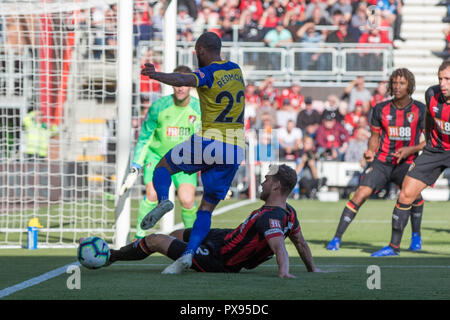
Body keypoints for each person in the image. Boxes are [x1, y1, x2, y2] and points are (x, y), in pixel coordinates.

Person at [138, 32, 245, 274]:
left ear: (201, 50)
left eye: (197, 53)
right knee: (206, 208)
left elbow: (181, 78)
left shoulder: (208, 73)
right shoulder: (236, 69)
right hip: (236, 146)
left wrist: (155, 75)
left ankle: (165, 200)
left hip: (211, 140)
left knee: (163, 167)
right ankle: (188, 254)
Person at [103, 164, 321, 277]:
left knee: (155, 240)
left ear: (276, 187)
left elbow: (279, 246)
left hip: (221, 259)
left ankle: (112, 256)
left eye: (266, 180)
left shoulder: (270, 217)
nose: (262, 183)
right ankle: (179, 253)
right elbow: (300, 242)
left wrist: (283, 271)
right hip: (224, 238)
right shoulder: (288, 213)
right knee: (177, 235)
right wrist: (312, 269)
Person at [326, 68, 426, 252]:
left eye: (402, 83)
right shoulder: (380, 108)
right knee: (360, 194)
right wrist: (370, 152)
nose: (397, 87)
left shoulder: (420, 109)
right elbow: (374, 136)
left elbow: (429, 141)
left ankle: (416, 237)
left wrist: (409, 150)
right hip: (382, 162)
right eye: (394, 83)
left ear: (410, 86)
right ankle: (336, 238)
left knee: (415, 196)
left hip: (407, 163)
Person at [371, 61, 450, 256]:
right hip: (436, 150)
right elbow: (430, 120)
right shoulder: (431, 94)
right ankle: (393, 246)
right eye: (440, 78)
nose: (442, 83)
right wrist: (428, 146)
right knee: (406, 192)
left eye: (447, 79)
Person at [119, 66, 201, 239]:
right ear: (171, 84)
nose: (180, 87)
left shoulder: (199, 109)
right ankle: (139, 238)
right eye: (176, 83)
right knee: (152, 193)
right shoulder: (159, 107)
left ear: (191, 86)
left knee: (187, 199)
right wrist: (135, 166)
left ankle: (193, 240)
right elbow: (145, 138)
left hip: (183, 160)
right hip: (157, 157)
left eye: (184, 84)